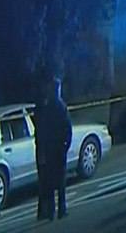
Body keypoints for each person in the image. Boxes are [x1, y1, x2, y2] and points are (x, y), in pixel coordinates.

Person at [34, 74, 72, 221]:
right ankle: (61, 209)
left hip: (51, 150)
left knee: (50, 182)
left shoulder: (47, 106)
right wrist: (65, 146)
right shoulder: (60, 107)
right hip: (58, 150)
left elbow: (42, 130)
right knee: (60, 182)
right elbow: (67, 128)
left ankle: (51, 211)